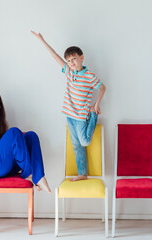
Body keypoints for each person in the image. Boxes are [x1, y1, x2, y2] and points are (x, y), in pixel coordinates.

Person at [31, 31, 106, 181]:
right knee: (77, 146)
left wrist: (96, 104)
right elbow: (55, 57)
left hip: (81, 116)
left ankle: (94, 116)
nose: (72, 62)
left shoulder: (89, 76)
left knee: (85, 141)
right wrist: (42, 40)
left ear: (81, 58)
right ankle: (82, 174)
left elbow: (103, 87)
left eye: (74, 59)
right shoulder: (69, 73)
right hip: (69, 115)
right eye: (69, 60)